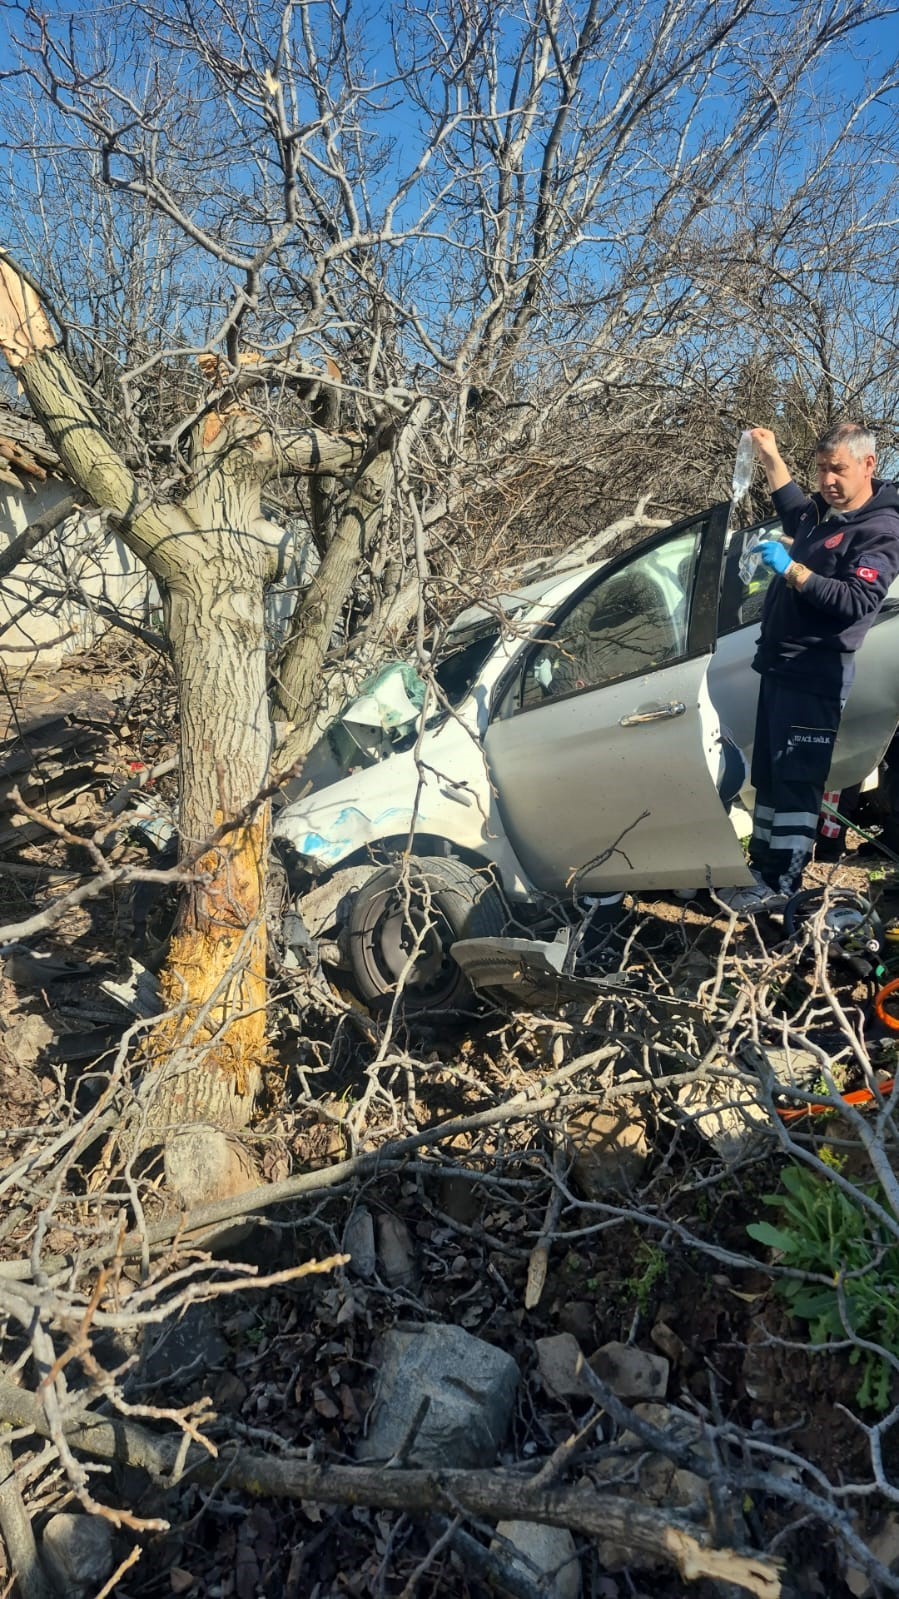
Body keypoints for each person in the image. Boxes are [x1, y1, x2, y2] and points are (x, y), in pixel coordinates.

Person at [721, 421, 899, 913]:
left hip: (816, 673)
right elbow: (792, 508)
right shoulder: (824, 512)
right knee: (770, 776)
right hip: (780, 665)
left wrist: (793, 570)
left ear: (868, 464)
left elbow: (857, 601)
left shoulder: (880, 529)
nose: (827, 480)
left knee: (797, 781)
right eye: (821, 469)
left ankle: (784, 885)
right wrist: (770, 455)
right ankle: (761, 873)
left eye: (837, 469)